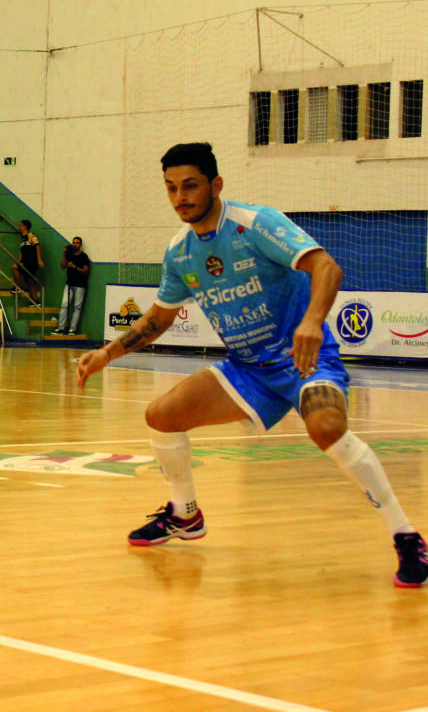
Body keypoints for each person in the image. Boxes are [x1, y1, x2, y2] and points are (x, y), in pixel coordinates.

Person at [76, 141, 428, 587]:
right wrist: (107, 353)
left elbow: (327, 267)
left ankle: (406, 535)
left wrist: (313, 322)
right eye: (170, 188)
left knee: (326, 429)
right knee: (161, 416)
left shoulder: (255, 223)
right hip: (246, 370)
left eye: (190, 185)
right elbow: (160, 319)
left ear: (215, 184)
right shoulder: (179, 251)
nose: (180, 196)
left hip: (304, 360)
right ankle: (185, 515)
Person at [52, 236, 90, 335]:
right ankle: (60, 328)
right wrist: (65, 253)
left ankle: (72, 329)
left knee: (77, 307)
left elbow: (86, 271)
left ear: (80, 245)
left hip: (80, 285)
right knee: (64, 305)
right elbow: (63, 266)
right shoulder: (69, 255)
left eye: (77, 243)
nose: (75, 244)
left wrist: (75, 267)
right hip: (69, 284)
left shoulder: (83, 256)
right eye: (73, 242)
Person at [11, 219, 43, 304]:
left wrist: (39, 259)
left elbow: (37, 246)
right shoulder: (22, 239)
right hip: (25, 261)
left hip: (31, 262)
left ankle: (19, 286)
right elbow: (22, 251)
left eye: (20, 225)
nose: (19, 227)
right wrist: (19, 261)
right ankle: (35, 301)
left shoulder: (31, 235)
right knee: (30, 281)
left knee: (14, 268)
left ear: (25, 226)